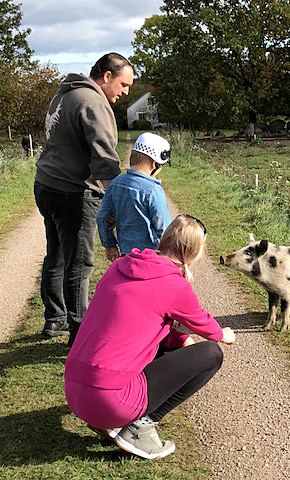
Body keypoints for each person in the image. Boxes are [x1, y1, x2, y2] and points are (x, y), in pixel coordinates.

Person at [65, 214, 236, 459]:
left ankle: (109, 422)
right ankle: (140, 427)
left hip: (74, 391)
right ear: (193, 253)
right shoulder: (174, 285)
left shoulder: (119, 267)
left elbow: (140, 324)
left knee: (174, 345)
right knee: (211, 354)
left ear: (165, 239)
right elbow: (204, 325)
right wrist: (223, 334)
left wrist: (179, 340)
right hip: (109, 400)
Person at [34, 52, 135, 345]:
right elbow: (104, 159)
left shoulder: (65, 94)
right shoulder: (93, 102)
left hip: (46, 184)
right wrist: (117, 202)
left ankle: (55, 318)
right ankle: (80, 334)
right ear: (107, 76)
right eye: (123, 85)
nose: (125, 93)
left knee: (56, 256)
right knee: (79, 264)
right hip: (73, 192)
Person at [96, 132, 172, 261]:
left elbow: (102, 217)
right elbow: (164, 228)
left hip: (126, 256)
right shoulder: (153, 190)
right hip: (151, 256)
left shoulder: (115, 184)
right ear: (154, 164)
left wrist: (110, 245)